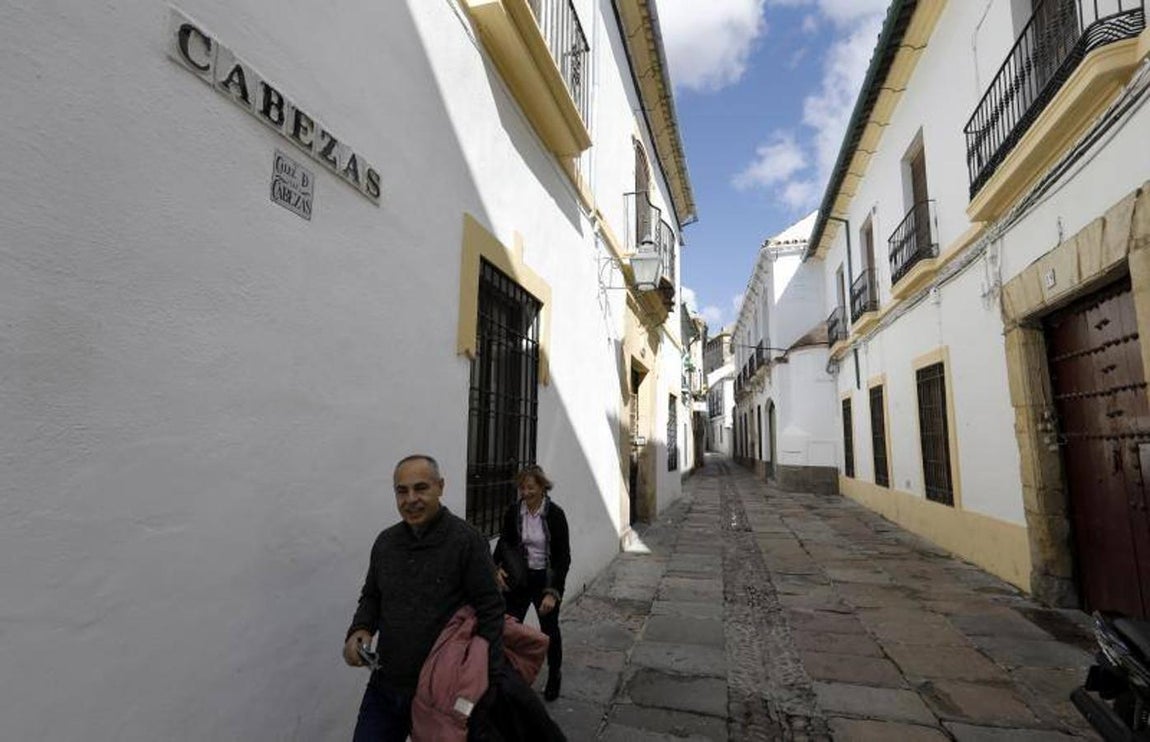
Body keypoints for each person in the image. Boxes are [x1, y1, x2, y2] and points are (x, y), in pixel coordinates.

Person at [343, 454, 505, 742]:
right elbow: (372, 596)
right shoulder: (385, 542)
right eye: (401, 491)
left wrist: (484, 684)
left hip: (440, 693)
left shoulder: (467, 541)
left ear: (440, 487)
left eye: (421, 488)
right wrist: (360, 629)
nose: (411, 499)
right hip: (386, 684)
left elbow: (491, 611)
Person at [493, 464, 571, 701]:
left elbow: (563, 557)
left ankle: (554, 674)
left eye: (530, 487)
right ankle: (509, 675)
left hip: (544, 579)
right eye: (522, 488)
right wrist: (495, 569)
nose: (525, 493)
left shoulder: (555, 515)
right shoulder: (514, 512)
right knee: (508, 626)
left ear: (543, 488)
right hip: (519, 578)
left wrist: (553, 593)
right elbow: (504, 543)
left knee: (549, 630)